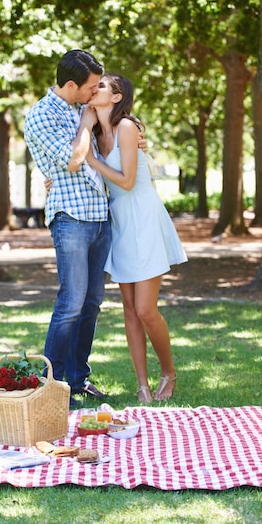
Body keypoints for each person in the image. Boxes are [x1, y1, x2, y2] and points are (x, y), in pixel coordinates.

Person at [85, 73, 188, 403]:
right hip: (119, 223)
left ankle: (169, 372)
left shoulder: (128, 128)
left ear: (116, 97)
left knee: (145, 309)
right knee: (128, 309)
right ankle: (142, 385)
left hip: (143, 218)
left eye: (100, 86)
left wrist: (89, 159)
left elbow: (128, 182)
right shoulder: (94, 131)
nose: (93, 89)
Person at [23, 49, 111, 407]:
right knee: (71, 302)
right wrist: (87, 126)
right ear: (71, 85)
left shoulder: (81, 107)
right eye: (91, 86)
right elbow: (74, 160)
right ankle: (52, 387)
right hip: (71, 218)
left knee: (91, 303)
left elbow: (104, 151)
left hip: (99, 216)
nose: (96, 92)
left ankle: (77, 380)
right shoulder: (42, 116)